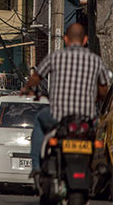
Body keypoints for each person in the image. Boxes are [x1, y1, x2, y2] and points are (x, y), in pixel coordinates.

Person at [21, 23, 110, 188]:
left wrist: (26, 88)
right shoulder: (96, 60)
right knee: (98, 137)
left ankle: (36, 167)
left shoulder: (56, 57)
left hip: (58, 117)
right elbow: (104, 89)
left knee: (40, 119)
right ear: (85, 40)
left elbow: (37, 77)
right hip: (87, 119)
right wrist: (98, 96)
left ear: (66, 40)